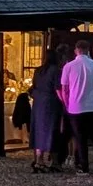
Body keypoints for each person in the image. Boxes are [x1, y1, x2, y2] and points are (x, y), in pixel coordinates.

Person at [61, 35, 93, 172]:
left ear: (76, 50)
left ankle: (83, 165)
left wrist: (67, 104)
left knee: (80, 138)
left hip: (76, 107)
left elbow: (65, 88)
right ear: (88, 50)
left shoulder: (69, 66)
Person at [29, 43, 64, 173]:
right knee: (52, 131)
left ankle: (39, 160)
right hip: (51, 103)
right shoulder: (56, 71)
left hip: (38, 102)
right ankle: (54, 161)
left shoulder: (38, 71)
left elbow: (33, 86)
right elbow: (58, 88)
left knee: (39, 130)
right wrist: (64, 101)